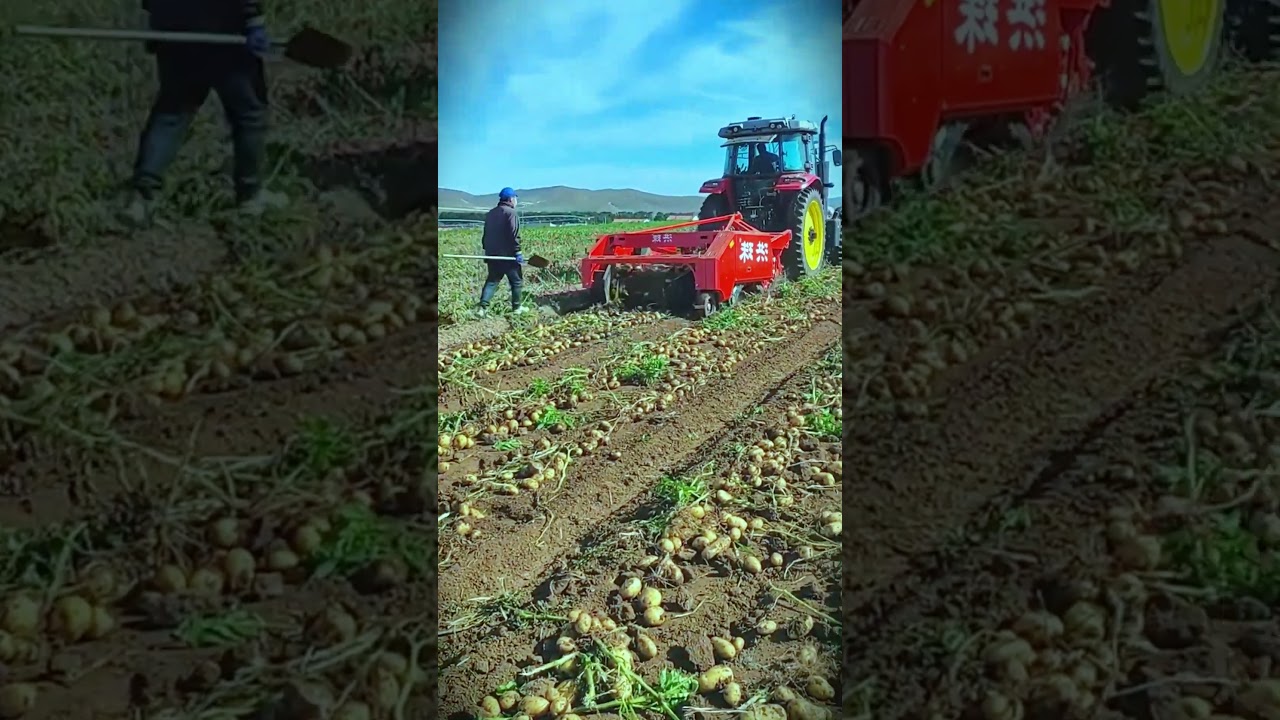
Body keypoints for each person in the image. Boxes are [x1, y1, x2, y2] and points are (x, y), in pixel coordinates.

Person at [121, 0, 288, 226]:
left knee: (172, 113)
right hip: (225, 27)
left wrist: (152, 17)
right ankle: (250, 196)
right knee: (249, 115)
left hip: (174, 26)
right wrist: (254, 20)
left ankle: (141, 199)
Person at [477, 187, 529, 317]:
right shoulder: (511, 213)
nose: (516, 201)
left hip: (492, 254)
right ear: (511, 199)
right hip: (508, 255)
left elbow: (486, 234)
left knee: (492, 281)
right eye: (515, 198)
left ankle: (482, 309)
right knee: (516, 281)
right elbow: (514, 234)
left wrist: (486, 250)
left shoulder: (491, 213)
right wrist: (517, 251)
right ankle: (517, 308)